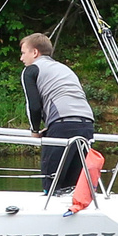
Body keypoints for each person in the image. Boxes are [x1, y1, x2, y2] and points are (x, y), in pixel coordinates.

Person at [20, 32, 97, 196]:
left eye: (23, 52)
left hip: (63, 124)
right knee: (73, 184)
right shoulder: (63, 68)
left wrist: (34, 131)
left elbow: (33, 106)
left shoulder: (31, 70)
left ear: (35, 52)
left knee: (51, 179)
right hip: (87, 123)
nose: (21, 58)